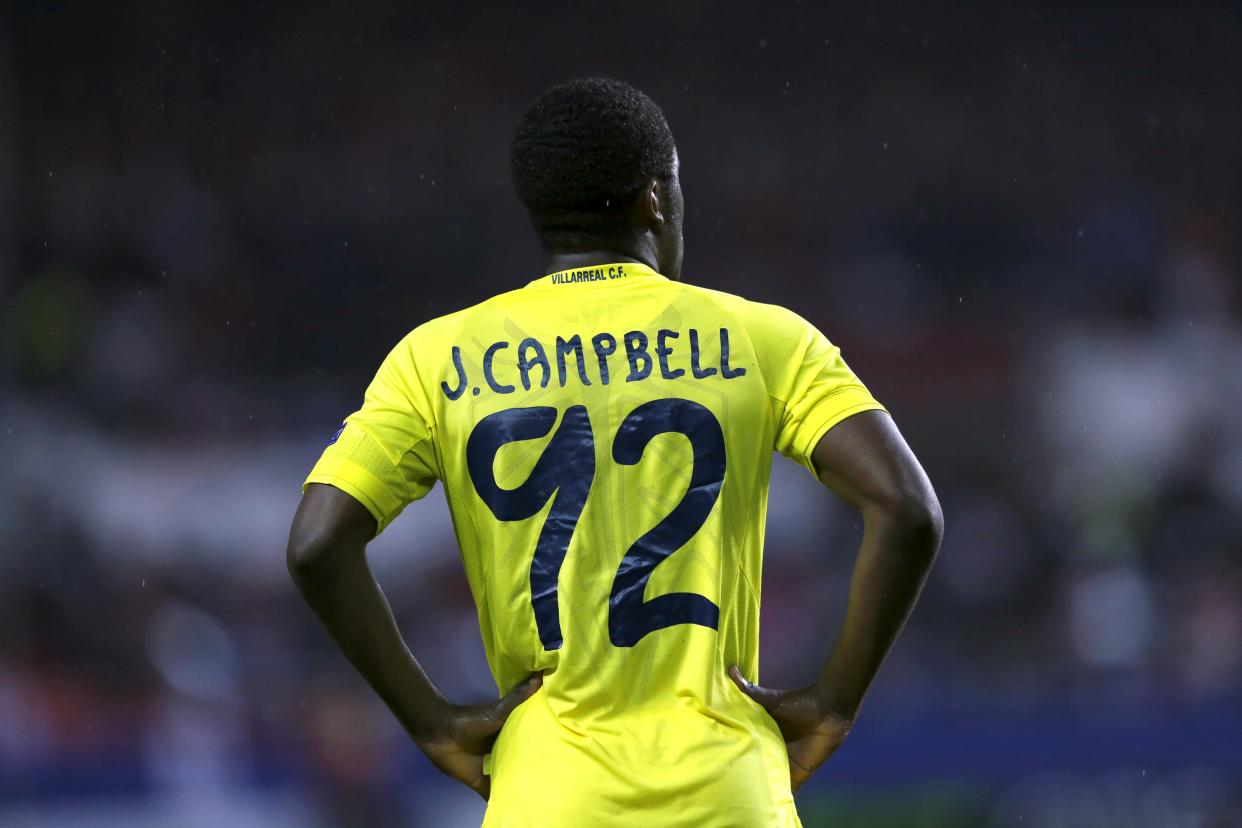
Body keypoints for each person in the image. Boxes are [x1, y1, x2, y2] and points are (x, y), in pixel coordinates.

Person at [287, 77, 942, 827]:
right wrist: (833, 703)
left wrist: (430, 720)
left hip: (548, 794)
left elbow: (316, 544)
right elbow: (906, 508)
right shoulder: (762, 338)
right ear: (656, 198)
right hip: (729, 788)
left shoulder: (436, 359)